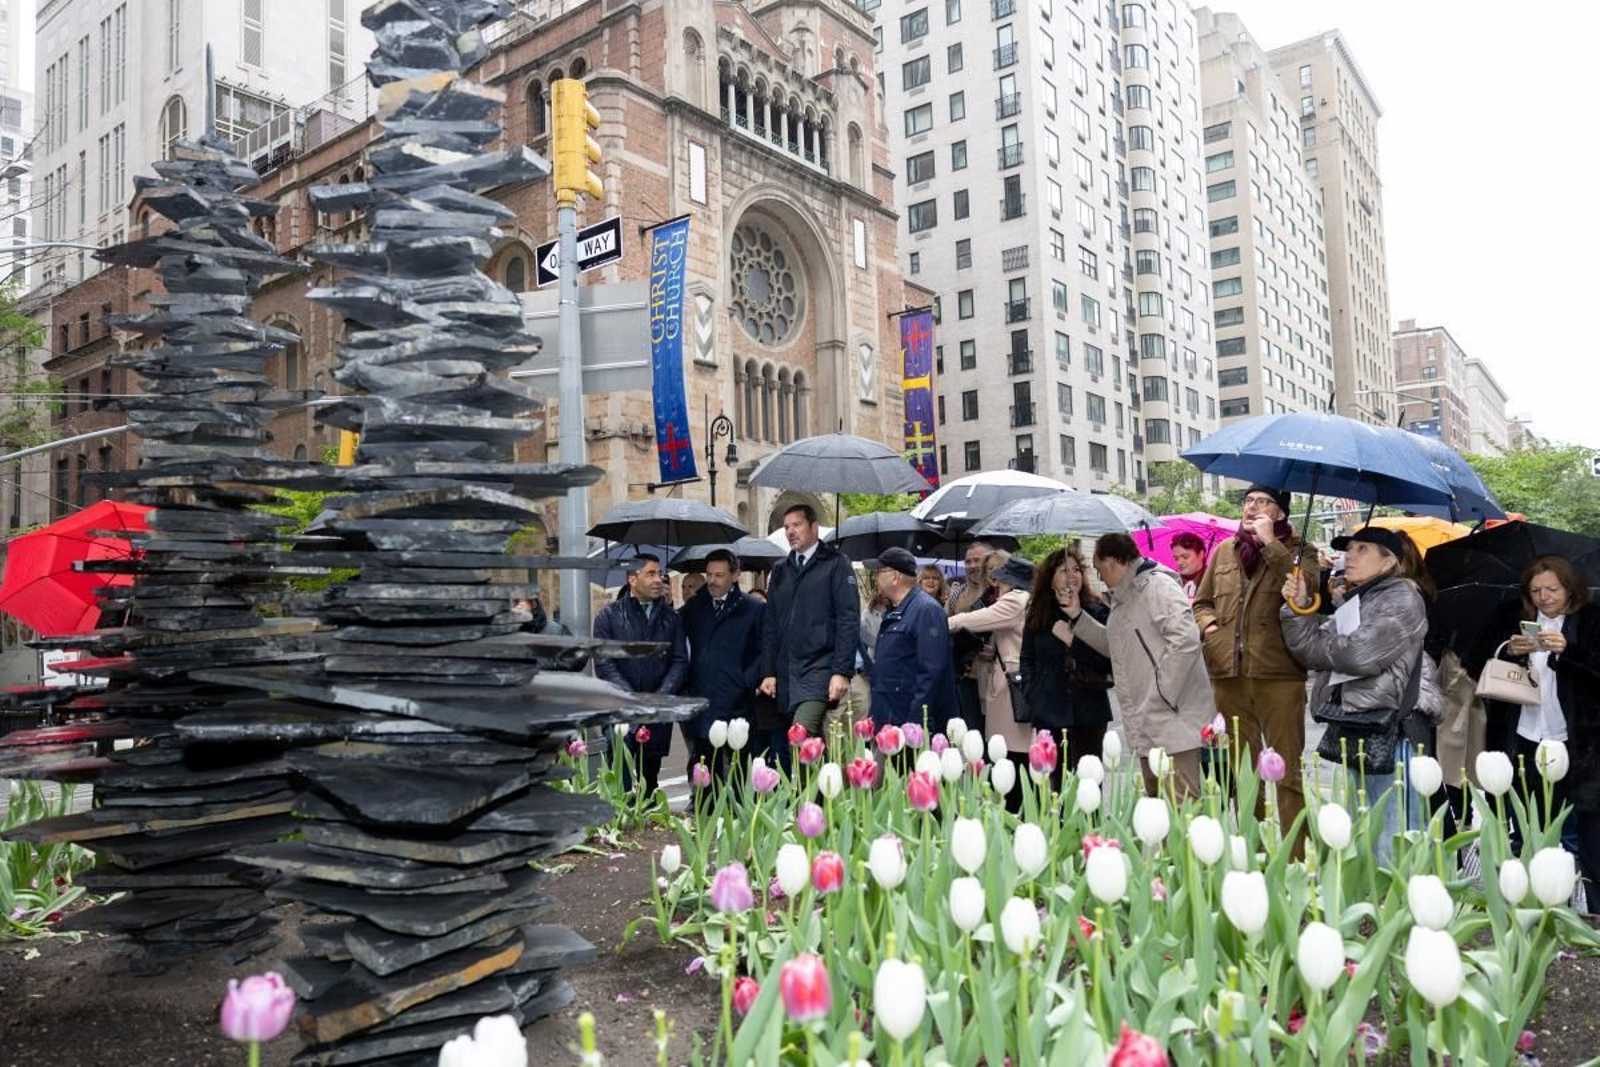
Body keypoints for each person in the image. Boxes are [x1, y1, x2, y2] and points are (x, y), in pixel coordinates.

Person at [1280, 526, 1438, 863]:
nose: (1349, 556)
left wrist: (1330, 648)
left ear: (1388, 562)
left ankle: (1402, 911)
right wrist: (1300, 605)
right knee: (1367, 830)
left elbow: (1359, 655)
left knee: (1394, 838)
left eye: (1362, 549)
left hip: (1394, 729)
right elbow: (1307, 648)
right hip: (1362, 726)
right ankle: (1378, 910)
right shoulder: (1362, 598)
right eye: (1349, 549)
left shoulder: (1402, 597)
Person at [1193, 484, 1321, 834]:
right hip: (1228, 675)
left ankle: (1296, 862)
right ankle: (1256, 853)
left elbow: (1306, 594)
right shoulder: (1223, 552)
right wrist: (1211, 629)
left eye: (1263, 502)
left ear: (1280, 513)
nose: (1252, 507)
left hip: (1279, 675)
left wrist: (1272, 545)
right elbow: (1201, 603)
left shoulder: (1300, 552)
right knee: (1243, 772)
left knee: (1287, 773)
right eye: (1248, 501)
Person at [1072, 534, 1216, 799]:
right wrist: (1077, 619)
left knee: (1181, 809)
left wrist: (1162, 691)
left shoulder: (1157, 586)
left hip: (1172, 717)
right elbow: (1117, 646)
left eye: (1099, 568)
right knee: (1158, 809)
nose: (1099, 576)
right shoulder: (1125, 595)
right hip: (1148, 718)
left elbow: (1186, 639)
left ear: (1115, 562)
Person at [1495, 554, 1600, 894]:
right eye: (1536, 590)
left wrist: (1568, 652)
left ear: (1570, 590)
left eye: (1552, 589)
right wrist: (1511, 650)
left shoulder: (1590, 620)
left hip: (1577, 741)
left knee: (1580, 833)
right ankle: (1537, 907)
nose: (1544, 597)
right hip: (1526, 736)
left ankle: (1587, 907)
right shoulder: (1513, 618)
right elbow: (1476, 662)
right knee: (1531, 827)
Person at [760, 503, 860, 738]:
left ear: (813, 526)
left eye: (797, 525)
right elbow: (770, 625)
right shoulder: (780, 570)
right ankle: (825, 775)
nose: (790, 531)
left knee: (800, 733)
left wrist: (841, 671)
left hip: (820, 668)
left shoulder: (837, 563)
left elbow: (848, 618)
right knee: (805, 745)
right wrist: (768, 671)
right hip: (786, 672)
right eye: (786, 527)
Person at [592, 554, 688, 795]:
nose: (659, 579)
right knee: (621, 777)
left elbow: (679, 662)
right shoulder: (609, 616)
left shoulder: (671, 619)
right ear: (633, 579)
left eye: (660, 573)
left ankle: (648, 826)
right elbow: (604, 664)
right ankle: (622, 823)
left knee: (650, 779)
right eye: (651, 574)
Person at [1020, 545, 1114, 775]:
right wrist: (1032, 693)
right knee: (1055, 782)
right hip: (1049, 709)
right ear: (1050, 579)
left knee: (1089, 780)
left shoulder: (1097, 610)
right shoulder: (1038, 613)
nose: (1072, 575)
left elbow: (1110, 659)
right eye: (1064, 570)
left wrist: (1074, 640)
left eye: (1076, 569)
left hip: (1089, 709)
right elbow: (1027, 658)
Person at [679, 549, 765, 783]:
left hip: (739, 703)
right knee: (706, 775)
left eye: (719, 575)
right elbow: (676, 640)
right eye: (709, 575)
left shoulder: (753, 609)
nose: (712, 581)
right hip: (703, 701)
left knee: (740, 775)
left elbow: (765, 649)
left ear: (735, 575)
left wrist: (748, 680)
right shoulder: (695, 608)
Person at [948, 554, 1033, 769]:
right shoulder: (1024, 598)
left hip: (1011, 682)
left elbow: (975, 619)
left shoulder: (1015, 599)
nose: (998, 584)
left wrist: (945, 622)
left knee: (1009, 751)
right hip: (1010, 678)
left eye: (1002, 579)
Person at [864, 547, 959, 729]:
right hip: (891, 719)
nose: (875, 578)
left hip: (911, 723)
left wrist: (916, 724)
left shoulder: (926, 610)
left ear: (895, 577)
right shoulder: (895, 610)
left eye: (879, 572)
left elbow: (932, 672)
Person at [948, 541, 998, 732]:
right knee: (970, 732)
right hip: (966, 676)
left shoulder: (1000, 592)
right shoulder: (956, 595)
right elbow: (946, 626)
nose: (972, 566)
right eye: (968, 561)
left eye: (978, 560)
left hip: (995, 676)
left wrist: (997, 650)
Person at [513, 593, 584, 671]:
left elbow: (579, 656)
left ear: (533, 603)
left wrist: (555, 669)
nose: (517, 606)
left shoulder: (556, 631)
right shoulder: (506, 633)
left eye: (518, 601)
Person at [1169, 531, 1210, 603]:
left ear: (1201, 554)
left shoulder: (1214, 581)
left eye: (1185, 557)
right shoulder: (1171, 582)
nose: (1179, 563)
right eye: (1176, 558)